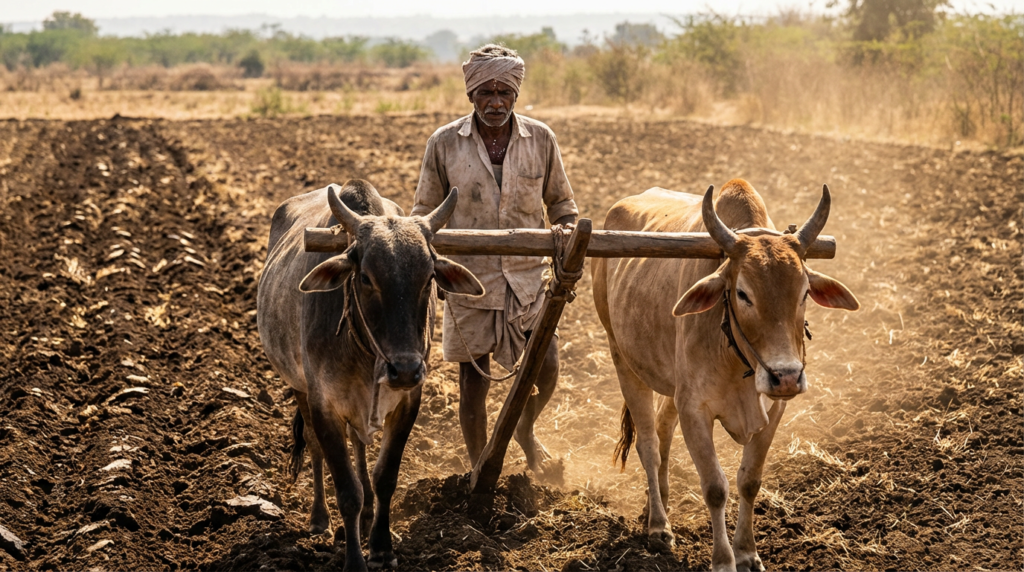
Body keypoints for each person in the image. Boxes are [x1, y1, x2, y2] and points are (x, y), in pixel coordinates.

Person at [411, 44, 578, 478]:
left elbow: (562, 204)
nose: (496, 102)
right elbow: (422, 215)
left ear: (516, 95)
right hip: (468, 281)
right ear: (471, 95)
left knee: (548, 369)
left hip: (527, 282)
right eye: (487, 92)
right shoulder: (444, 144)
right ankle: (481, 467)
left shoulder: (540, 139)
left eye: (505, 92)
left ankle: (524, 428)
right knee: (473, 384)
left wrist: (564, 232)